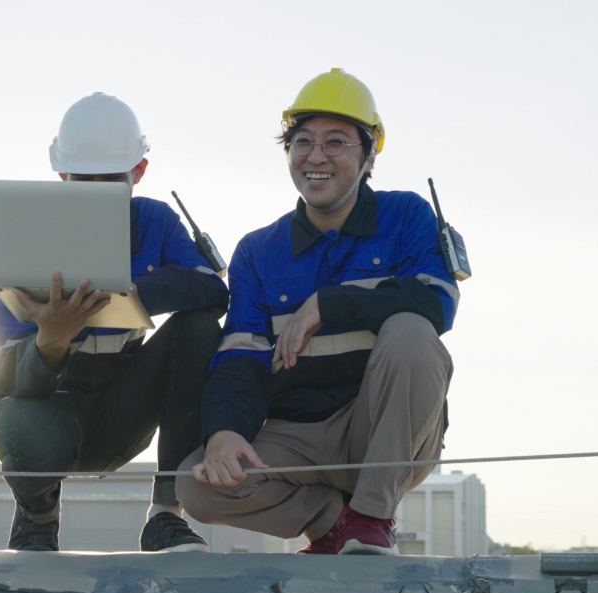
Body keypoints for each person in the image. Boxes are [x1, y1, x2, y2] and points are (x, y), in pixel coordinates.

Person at [178, 69, 459, 555]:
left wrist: (330, 304)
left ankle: (372, 518)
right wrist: (224, 432)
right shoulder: (257, 250)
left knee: (412, 331)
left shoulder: (407, 215)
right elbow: (241, 355)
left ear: (369, 156)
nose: (316, 156)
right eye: (302, 141)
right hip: (298, 437)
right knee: (196, 484)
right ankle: (333, 523)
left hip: (386, 435)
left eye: (336, 142)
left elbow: (437, 303)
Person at [0, 92, 229, 552]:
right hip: (42, 409)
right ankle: (38, 515)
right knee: (34, 438)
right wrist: (52, 339)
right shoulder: (26, 231)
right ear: (61, 175)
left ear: (138, 173)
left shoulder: (154, 221)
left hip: (117, 410)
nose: (93, 191)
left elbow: (212, 289)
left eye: (108, 181)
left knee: (200, 328)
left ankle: (166, 516)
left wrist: (127, 293)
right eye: (82, 180)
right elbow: (10, 382)